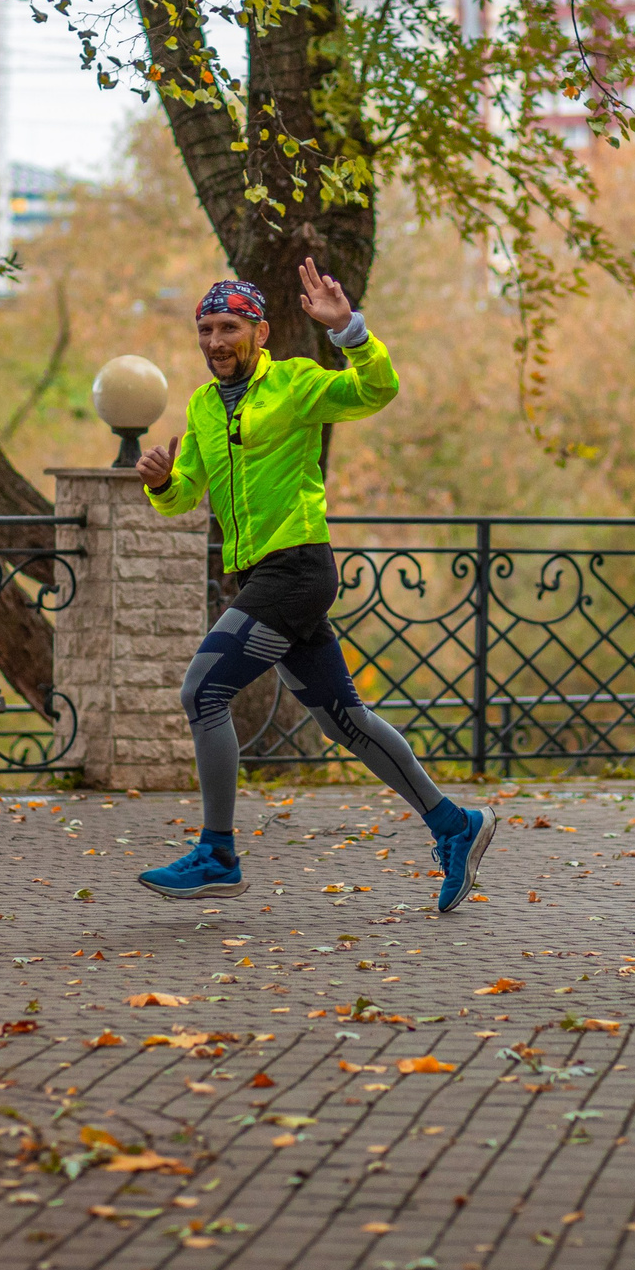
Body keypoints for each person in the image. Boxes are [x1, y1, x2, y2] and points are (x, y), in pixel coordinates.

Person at [131, 259, 496, 911]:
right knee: (345, 723)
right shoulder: (202, 407)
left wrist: (350, 330)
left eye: (230, 327)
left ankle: (217, 853)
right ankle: (454, 825)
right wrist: (161, 480)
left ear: (260, 332)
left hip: (296, 568)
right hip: (257, 574)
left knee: (203, 690)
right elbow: (186, 493)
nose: (216, 340)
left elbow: (376, 390)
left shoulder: (296, 384)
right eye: (206, 328)